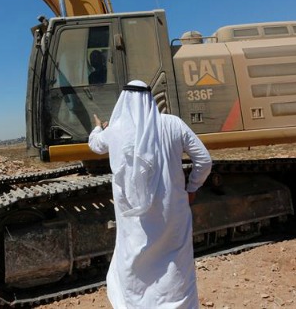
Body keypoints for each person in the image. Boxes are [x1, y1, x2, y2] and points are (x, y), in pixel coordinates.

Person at [88, 80, 212, 309]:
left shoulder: (115, 132)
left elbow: (95, 145)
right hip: (173, 216)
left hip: (135, 224)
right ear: (149, 99)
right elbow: (204, 160)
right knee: (176, 269)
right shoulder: (173, 124)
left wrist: (98, 128)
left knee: (134, 270)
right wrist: (192, 188)